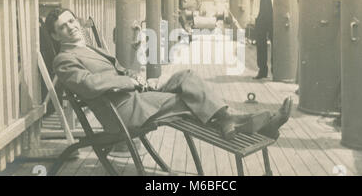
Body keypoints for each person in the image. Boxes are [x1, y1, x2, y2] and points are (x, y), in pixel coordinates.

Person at [45, 8, 291, 140]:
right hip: (122, 111)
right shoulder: (64, 60)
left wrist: (137, 77)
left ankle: (232, 119)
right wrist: (127, 81)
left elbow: (118, 71)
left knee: (186, 77)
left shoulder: (89, 48)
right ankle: (252, 121)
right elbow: (88, 85)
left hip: (135, 97)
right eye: (63, 27)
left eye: (71, 21)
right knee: (185, 100)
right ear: (56, 36)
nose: (71, 27)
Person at [253, 0, 274, 80]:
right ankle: (262, 70)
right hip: (260, 15)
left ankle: (275, 70)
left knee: (274, 42)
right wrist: (252, 16)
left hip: (272, 15)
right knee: (260, 43)